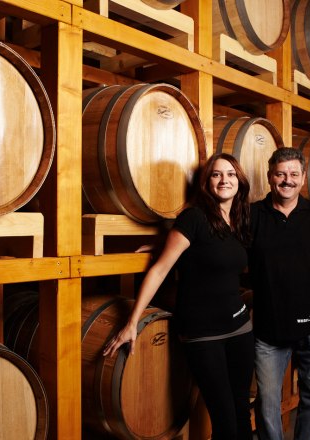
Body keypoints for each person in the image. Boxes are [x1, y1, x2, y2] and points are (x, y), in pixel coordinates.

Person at [103, 153, 254, 439]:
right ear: (206, 183)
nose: (225, 180)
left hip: (239, 327)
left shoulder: (240, 220)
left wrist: (162, 241)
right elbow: (159, 271)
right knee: (224, 419)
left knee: (241, 410)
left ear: (240, 181)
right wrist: (131, 322)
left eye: (231, 174)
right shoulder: (194, 217)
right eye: (217, 174)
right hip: (203, 332)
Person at [248, 147, 310, 440]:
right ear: (269, 177)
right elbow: (213, 238)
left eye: (293, 174)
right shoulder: (251, 215)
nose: (286, 180)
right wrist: (171, 242)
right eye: (280, 174)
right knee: (266, 403)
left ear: (303, 178)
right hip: (268, 329)